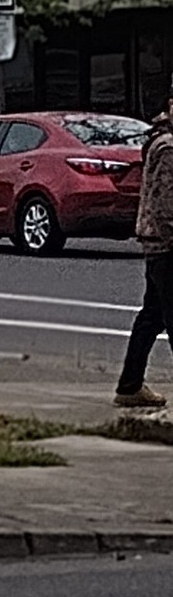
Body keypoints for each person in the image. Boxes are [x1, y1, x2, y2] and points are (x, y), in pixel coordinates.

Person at [115, 98, 173, 408]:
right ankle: (129, 385)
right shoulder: (168, 147)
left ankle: (129, 385)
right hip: (166, 246)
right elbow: (166, 205)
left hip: (158, 246)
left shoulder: (160, 141)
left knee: (152, 316)